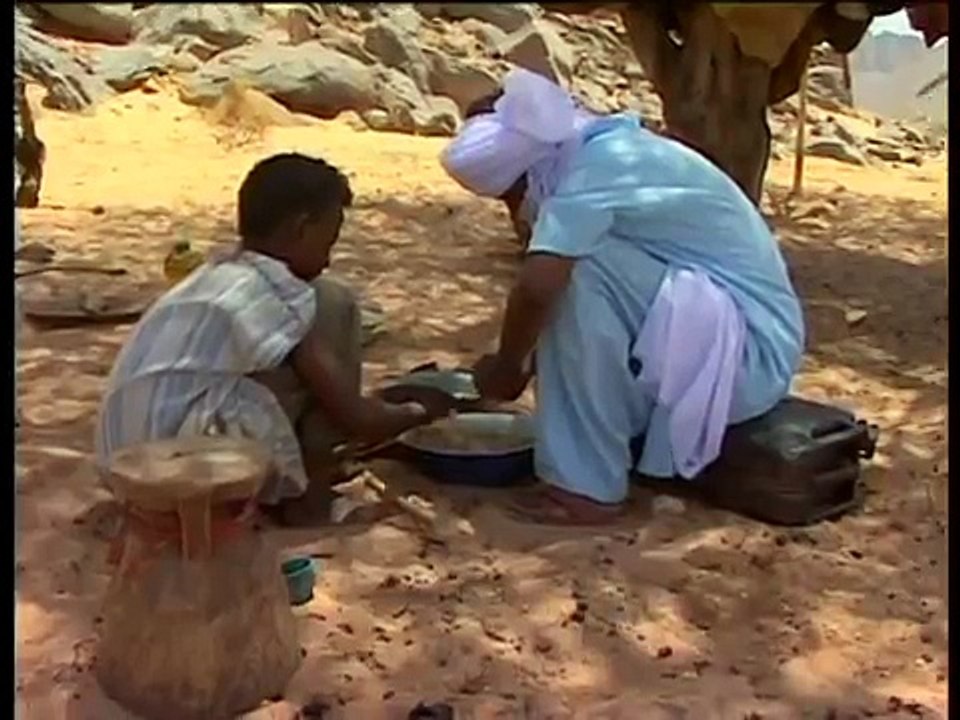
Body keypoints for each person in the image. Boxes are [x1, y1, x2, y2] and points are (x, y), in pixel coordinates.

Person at [441, 69, 805, 525]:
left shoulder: (603, 163)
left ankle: (585, 489)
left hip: (748, 357)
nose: (514, 211)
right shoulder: (600, 153)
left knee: (570, 270)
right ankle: (600, 448)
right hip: (717, 335)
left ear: (530, 168)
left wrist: (508, 367)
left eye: (512, 196)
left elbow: (538, 289)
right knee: (568, 267)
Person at [95, 153, 437, 524]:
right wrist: (419, 412)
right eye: (328, 242)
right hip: (183, 475)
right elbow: (356, 417)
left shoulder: (214, 274)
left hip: (120, 466)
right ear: (301, 228)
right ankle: (309, 496)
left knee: (274, 361)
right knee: (332, 305)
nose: (328, 258)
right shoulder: (280, 294)